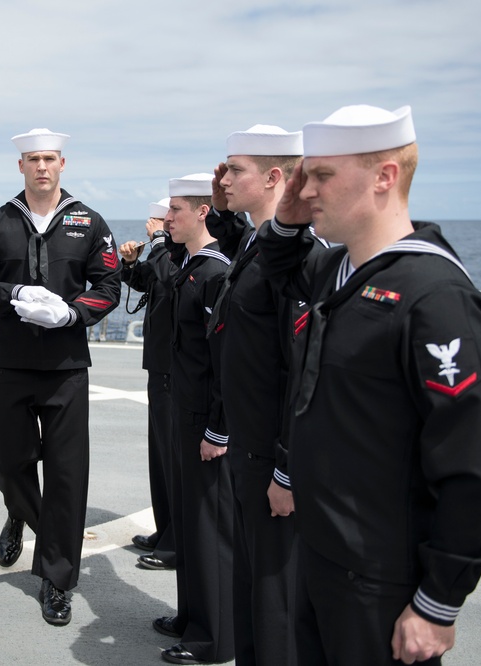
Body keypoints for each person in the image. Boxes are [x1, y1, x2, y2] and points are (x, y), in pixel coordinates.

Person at [257, 104, 481, 665]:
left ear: (385, 176)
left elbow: (479, 466)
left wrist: (439, 603)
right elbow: (278, 268)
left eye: (323, 175)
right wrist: (284, 215)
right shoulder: (340, 271)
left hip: (382, 580)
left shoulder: (435, 297)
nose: (308, 191)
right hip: (323, 553)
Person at [0, 128, 121, 626]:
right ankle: (19, 510)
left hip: (67, 369)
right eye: (33, 159)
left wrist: (72, 315)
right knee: (8, 462)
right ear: (21, 166)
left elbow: (109, 284)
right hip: (11, 364)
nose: (42, 167)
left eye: (49, 158)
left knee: (68, 477)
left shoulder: (88, 221)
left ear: (62, 163)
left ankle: (57, 579)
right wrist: (12, 296)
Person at [207, 125, 324, 666]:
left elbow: (304, 372)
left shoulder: (301, 257)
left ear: (275, 177)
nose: (224, 178)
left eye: (235, 170)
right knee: (253, 590)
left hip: (273, 458)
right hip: (248, 449)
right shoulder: (258, 241)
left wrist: (287, 470)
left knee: (278, 604)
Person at [152, 174, 234, 665]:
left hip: (205, 416)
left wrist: (217, 428)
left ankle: (213, 636)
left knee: (208, 526)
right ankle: (190, 616)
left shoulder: (215, 273)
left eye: (177, 210)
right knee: (188, 518)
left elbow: (224, 358)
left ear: (203, 211)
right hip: (184, 407)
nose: (168, 219)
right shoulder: (190, 267)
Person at [120, 197, 177, 572]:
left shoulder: (191, 255)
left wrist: (157, 240)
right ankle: (165, 529)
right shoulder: (167, 253)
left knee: (175, 462)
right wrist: (129, 263)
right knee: (160, 459)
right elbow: (146, 281)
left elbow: (170, 278)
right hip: (160, 366)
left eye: (166, 219)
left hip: (178, 370)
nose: (158, 224)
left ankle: (175, 543)